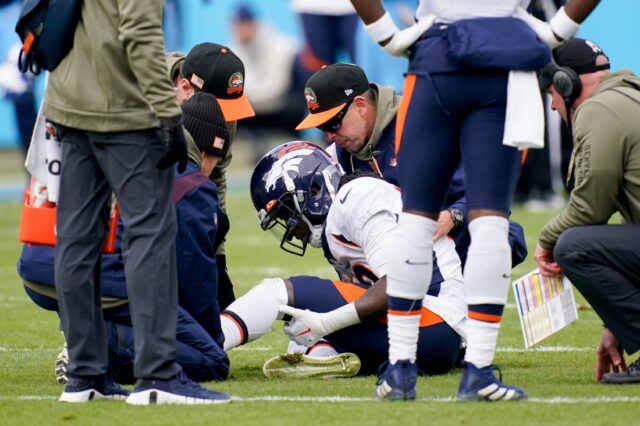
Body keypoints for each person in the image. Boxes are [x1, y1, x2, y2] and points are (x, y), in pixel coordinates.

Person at [349, 0, 601, 401]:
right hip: (504, 62)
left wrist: (389, 38)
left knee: (415, 220)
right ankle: (478, 371)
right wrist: (554, 32)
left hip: (434, 57)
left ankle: (399, 369)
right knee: (489, 223)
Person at [41, 0, 227, 404]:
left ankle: (85, 376)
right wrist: (167, 115)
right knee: (150, 233)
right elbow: (140, 34)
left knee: (76, 237)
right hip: (122, 108)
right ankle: (158, 375)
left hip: (68, 99)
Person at [20, 92, 231, 386]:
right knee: (212, 360)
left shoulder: (130, 141)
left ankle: (85, 332)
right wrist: (210, 336)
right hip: (96, 274)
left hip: (35, 266)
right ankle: (95, 346)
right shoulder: (191, 183)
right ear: (209, 150)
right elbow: (195, 276)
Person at [221, 141, 466, 380]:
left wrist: (327, 322)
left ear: (314, 190)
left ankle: (209, 344)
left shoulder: (356, 196)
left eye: (287, 213)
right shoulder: (341, 216)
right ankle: (324, 357)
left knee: (274, 293)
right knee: (303, 342)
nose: (291, 229)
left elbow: (399, 283)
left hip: (432, 321)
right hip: (431, 337)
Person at [294, 62, 528, 268]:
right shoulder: (340, 154)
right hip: (389, 256)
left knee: (501, 235)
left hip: (446, 242)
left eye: (333, 124)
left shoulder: (425, 122)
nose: (329, 136)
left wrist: (452, 216)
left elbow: (491, 189)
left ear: (360, 105)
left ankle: (469, 309)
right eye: (321, 128)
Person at [534, 38, 640, 385]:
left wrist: (546, 240)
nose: (552, 107)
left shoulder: (598, 109)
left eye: (550, 94)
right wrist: (615, 323)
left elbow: (591, 207)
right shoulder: (629, 97)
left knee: (573, 245)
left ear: (565, 83)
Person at [167, 42, 256, 311]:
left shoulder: (222, 110)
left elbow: (213, 179)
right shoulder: (137, 93)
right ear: (184, 88)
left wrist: (215, 257)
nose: (225, 119)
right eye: (220, 108)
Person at [230, 4, 305, 159]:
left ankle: (296, 142)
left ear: (254, 24)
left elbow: (278, 85)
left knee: (298, 97)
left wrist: (254, 96)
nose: (239, 31)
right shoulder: (232, 51)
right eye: (237, 26)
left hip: (280, 106)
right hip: (251, 110)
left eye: (242, 25)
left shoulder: (283, 46)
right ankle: (253, 140)